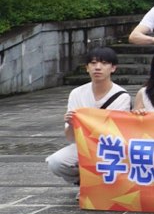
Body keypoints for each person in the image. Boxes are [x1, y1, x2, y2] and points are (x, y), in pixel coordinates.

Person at [47, 47, 130, 185]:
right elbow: (71, 137)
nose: (98, 67)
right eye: (93, 63)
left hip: (110, 148)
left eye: (104, 63)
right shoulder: (77, 93)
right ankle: (83, 183)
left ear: (113, 68)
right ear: (87, 67)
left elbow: (117, 133)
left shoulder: (122, 96)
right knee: (56, 162)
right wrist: (71, 123)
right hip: (84, 144)